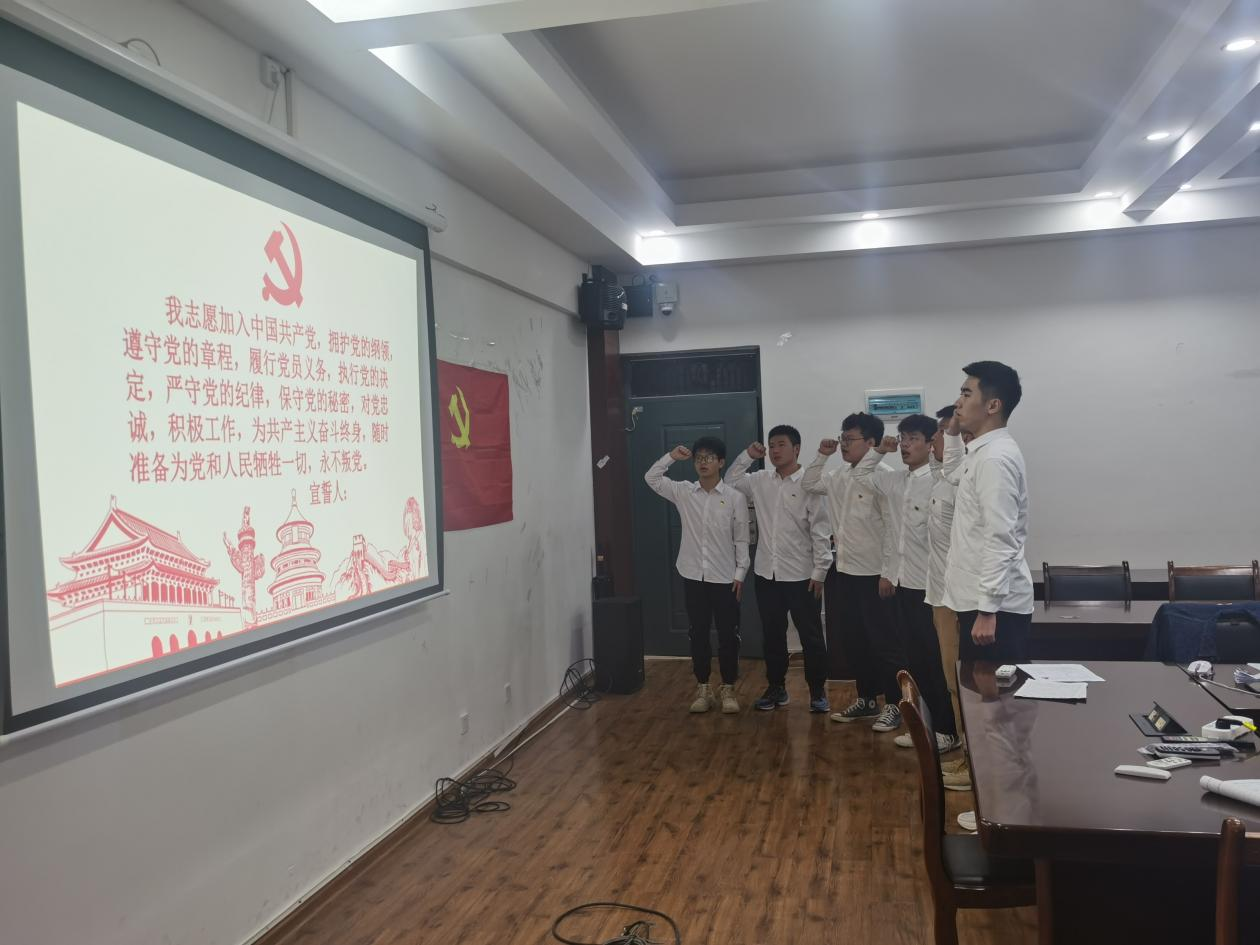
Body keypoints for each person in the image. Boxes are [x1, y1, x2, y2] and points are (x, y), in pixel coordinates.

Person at [853, 414, 959, 750]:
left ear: (930, 443)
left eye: (913, 438)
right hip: (904, 584)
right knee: (914, 662)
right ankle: (929, 727)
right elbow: (861, 474)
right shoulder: (895, 480)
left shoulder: (939, 481)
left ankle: (948, 730)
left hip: (933, 587)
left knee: (936, 663)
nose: (905, 445)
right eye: (902, 438)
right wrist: (879, 451)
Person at [803, 412, 904, 732]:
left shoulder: (884, 477)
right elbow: (809, 483)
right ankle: (867, 699)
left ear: (871, 442)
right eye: (842, 438)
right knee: (855, 640)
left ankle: (895, 704)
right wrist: (823, 454)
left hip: (876, 575)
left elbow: (893, 529)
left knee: (885, 643)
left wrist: (888, 572)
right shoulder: (838, 476)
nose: (844, 444)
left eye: (850, 439)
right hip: (845, 571)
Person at [725, 425, 833, 714]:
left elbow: (820, 529)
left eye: (781, 444)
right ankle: (776, 688)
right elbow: (731, 480)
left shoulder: (809, 483)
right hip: (767, 574)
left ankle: (817, 691)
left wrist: (820, 572)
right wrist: (749, 455)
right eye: (771, 445)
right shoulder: (760, 480)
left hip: (803, 575)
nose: (774, 450)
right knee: (773, 635)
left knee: (811, 636)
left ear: (796, 448)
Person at [645, 437, 750, 714]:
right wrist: (671, 457)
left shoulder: (735, 497)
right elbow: (651, 478)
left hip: (725, 578)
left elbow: (742, 538)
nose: (703, 462)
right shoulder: (684, 492)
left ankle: (728, 688)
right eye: (699, 458)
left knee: (728, 635)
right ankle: (703, 687)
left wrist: (740, 573)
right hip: (693, 575)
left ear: (721, 462)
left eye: (709, 457)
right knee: (698, 633)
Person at [943, 361, 1033, 664]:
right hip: (980, 601)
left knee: (994, 692)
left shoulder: (995, 459)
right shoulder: (980, 453)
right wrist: (952, 434)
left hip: (996, 610)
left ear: (993, 405)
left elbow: (1000, 537)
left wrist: (988, 609)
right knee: (977, 688)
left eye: (966, 394)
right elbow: (952, 474)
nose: (958, 403)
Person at [925, 406, 975, 790]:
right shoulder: (941, 480)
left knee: (964, 682)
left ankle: (975, 763)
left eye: (944, 433)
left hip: (960, 600)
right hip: (940, 595)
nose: (936, 440)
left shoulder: (966, 482)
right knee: (950, 680)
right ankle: (966, 753)